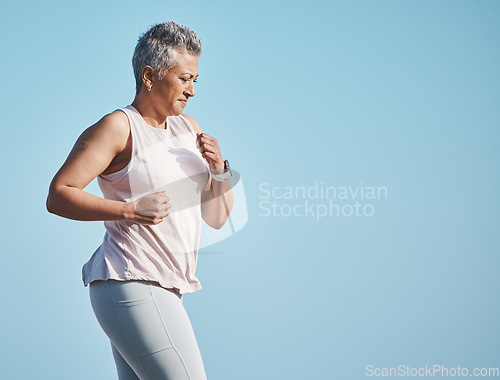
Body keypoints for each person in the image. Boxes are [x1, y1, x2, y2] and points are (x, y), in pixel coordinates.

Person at [46, 21, 234, 380]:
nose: (192, 90)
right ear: (150, 75)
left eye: (195, 80)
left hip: (167, 287)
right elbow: (58, 195)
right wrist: (129, 210)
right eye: (184, 79)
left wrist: (220, 172)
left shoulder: (188, 128)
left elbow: (217, 219)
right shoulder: (118, 127)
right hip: (131, 280)